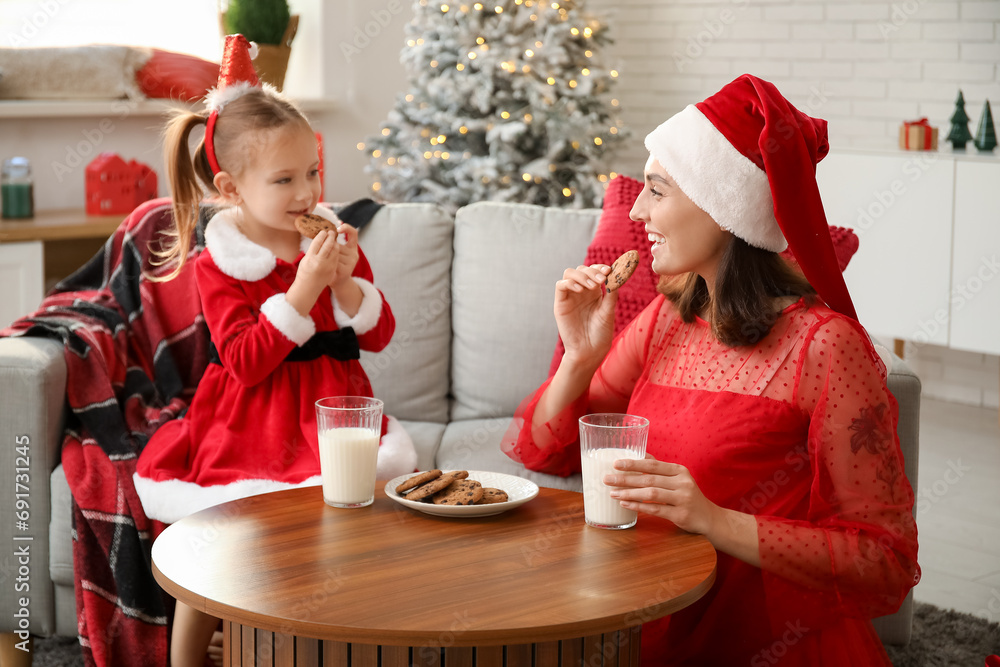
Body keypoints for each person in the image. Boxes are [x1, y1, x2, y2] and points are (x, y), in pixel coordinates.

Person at [501, 74, 920, 666]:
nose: (638, 209)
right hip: (646, 610)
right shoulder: (668, 315)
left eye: (657, 190)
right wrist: (579, 360)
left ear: (725, 207)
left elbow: (884, 559)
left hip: (767, 637)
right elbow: (547, 450)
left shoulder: (826, 347)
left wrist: (715, 522)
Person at [132, 35, 417, 666]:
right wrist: (306, 285)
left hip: (332, 416)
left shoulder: (335, 240)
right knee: (221, 542)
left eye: (312, 172)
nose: (305, 192)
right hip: (251, 424)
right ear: (231, 188)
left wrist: (344, 280)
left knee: (341, 535)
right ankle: (188, 652)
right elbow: (245, 359)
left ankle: (305, 639)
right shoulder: (221, 266)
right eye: (284, 179)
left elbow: (377, 335)